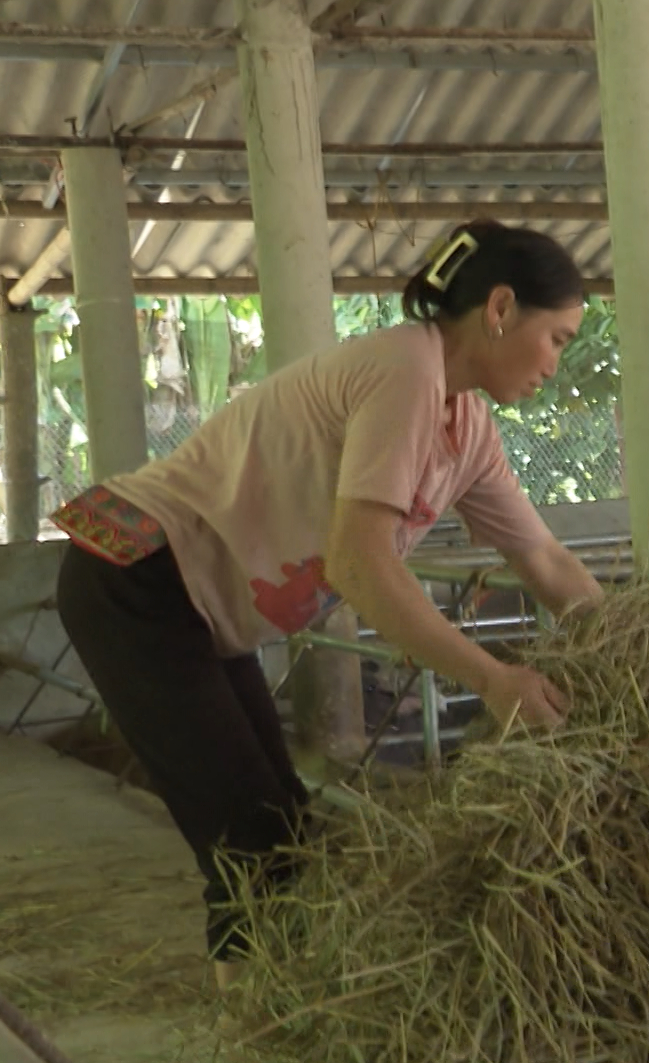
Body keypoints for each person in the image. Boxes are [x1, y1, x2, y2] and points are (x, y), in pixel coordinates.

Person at [49, 219, 608, 989]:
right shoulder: (405, 367)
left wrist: (631, 639)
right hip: (137, 575)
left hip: (199, 605)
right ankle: (260, 1020)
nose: (557, 362)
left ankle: (262, 1003)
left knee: (279, 822)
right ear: (502, 308)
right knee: (251, 836)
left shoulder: (467, 424)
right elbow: (358, 561)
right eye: (558, 337)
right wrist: (491, 677)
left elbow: (542, 557)